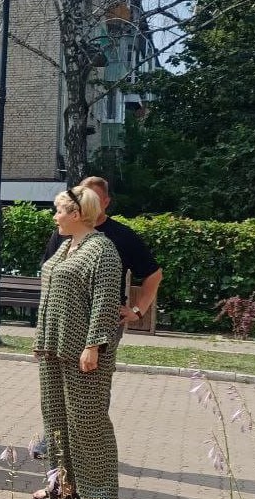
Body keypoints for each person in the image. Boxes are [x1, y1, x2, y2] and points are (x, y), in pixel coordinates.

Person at [33, 175, 163, 459]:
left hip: (99, 325)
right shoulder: (65, 237)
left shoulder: (115, 240)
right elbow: (50, 273)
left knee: (88, 398)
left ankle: (87, 455)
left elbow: (153, 274)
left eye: (89, 197)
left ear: (104, 202)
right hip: (61, 326)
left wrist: (137, 310)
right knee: (57, 397)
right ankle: (60, 455)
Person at [32, 185, 122, 499]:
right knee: (55, 419)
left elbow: (104, 302)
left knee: (88, 421)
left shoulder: (102, 250)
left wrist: (93, 345)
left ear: (76, 213)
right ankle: (63, 486)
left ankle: (104, 495)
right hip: (53, 347)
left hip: (84, 351)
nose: (55, 216)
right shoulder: (66, 245)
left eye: (59, 210)